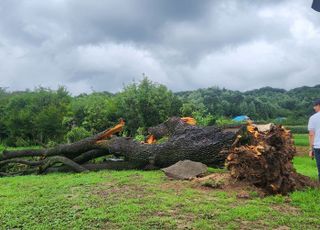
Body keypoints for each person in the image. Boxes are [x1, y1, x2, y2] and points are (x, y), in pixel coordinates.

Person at [308, 99, 320, 181]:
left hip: (318, 147)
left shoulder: (313, 118)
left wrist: (310, 149)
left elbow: (311, 134)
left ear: (318, 105)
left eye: (315, 106)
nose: (314, 108)